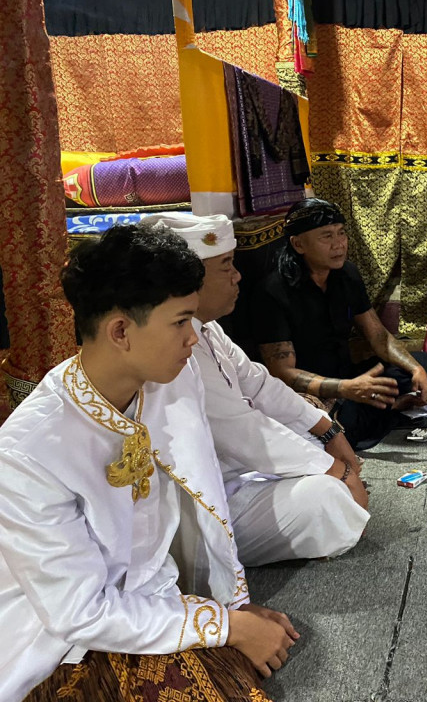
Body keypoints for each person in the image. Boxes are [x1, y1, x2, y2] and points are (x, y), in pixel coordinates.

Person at [0, 225, 295, 702]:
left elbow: (202, 494)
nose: (192, 340)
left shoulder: (163, 380)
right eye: (180, 322)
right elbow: (79, 612)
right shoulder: (27, 453)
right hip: (59, 640)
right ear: (120, 331)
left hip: (151, 600)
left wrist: (230, 609)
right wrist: (226, 625)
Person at [142, 213, 370, 566]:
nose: (237, 276)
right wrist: (337, 471)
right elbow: (240, 428)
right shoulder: (177, 347)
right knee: (326, 495)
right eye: (226, 266)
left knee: (314, 442)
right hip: (207, 496)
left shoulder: (208, 329)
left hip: (241, 471)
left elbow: (259, 383)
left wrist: (327, 429)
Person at [254, 198, 427, 450]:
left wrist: (415, 368)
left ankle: (379, 407)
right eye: (326, 236)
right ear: (298, 244)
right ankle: (389, 407)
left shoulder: (347, 274)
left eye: (341, 233)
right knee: (345, 426)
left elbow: (379, 337)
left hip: (348, 375)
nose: (339, 244)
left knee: (424, 363)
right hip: (311, 393)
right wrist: (347, 389)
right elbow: (283, 373)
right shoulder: (273, 290)